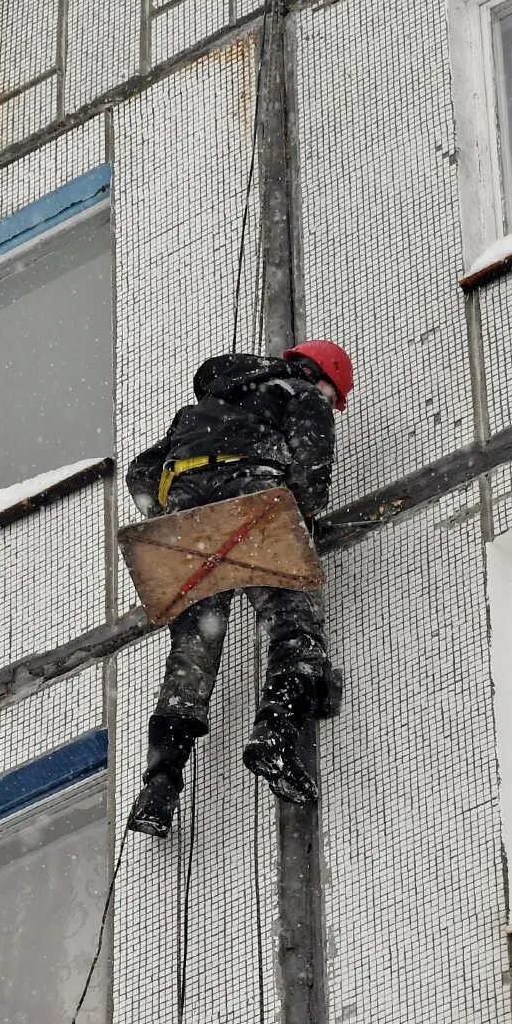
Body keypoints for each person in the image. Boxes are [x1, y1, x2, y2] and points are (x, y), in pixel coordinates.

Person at [122, 340, 353, 837]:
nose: (332, 405)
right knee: (295, 626)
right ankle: (274, 733)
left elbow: (142, 469)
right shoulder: (300, 391)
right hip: (254, 496)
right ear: (323, 375)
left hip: (191, 518)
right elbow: (312, 463)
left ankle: (159, 787)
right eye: (335, 396)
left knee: (191, 654)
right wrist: (302, 518)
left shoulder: (200, 408)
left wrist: (166, 518)